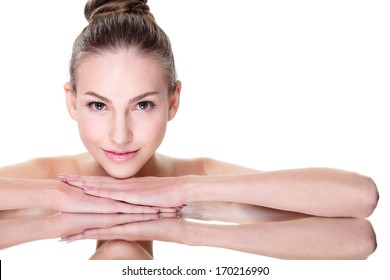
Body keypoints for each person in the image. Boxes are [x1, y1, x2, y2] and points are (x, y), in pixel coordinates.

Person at [0, 0, 379, 259]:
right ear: (72, 101)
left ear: (174, 100)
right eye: (98, 105)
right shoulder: (46, 181)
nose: (119, 135)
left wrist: (186, 200)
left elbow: (358, 215)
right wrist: (58, 201)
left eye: (143, 104)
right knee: (120, 251)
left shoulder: (197, 179)